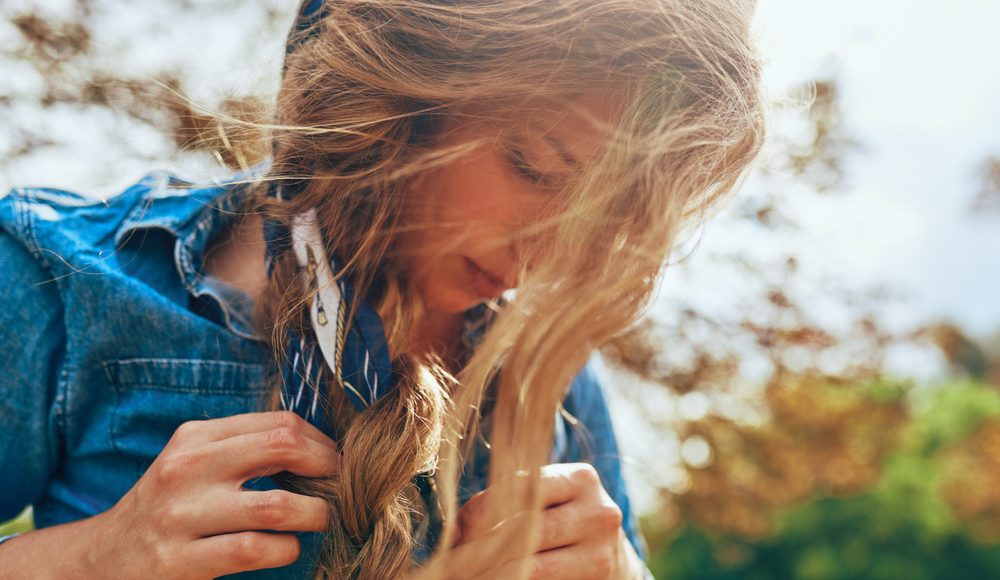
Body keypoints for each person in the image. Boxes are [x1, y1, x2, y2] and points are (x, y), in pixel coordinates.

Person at [0, 0, 763, 578]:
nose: (553, 254)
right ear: (405, 94)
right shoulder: (60, 276)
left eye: (608, 218)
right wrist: (97, 556)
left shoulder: (550, 382)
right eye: (537, 167)